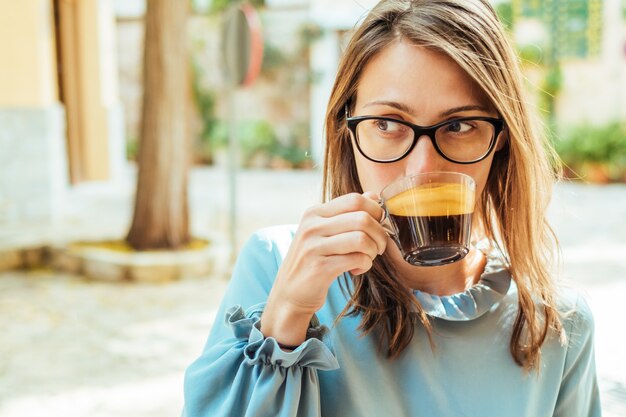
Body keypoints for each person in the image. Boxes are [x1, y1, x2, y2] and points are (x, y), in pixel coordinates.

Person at [182, 0, 601, 416]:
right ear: (347, 131)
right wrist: (286, 318)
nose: (423, 167)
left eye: (458, 126)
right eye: (387, 124)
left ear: (502, 139)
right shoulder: (275, 268)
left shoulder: (559, 323)